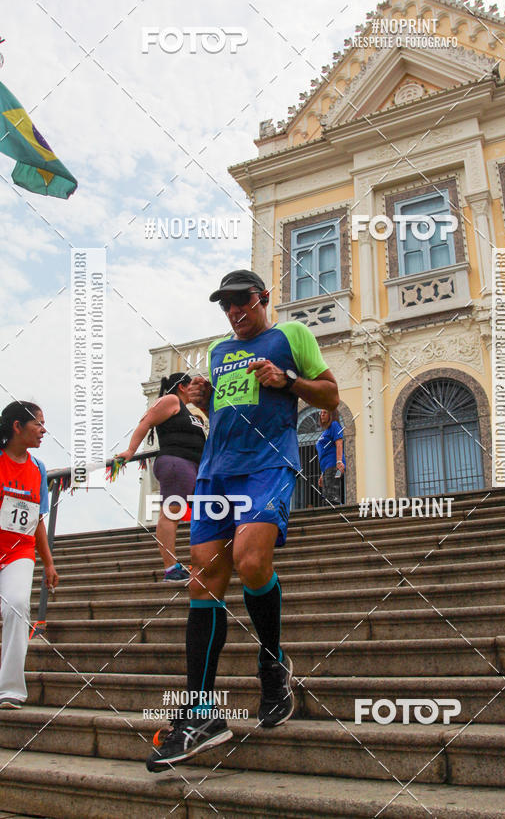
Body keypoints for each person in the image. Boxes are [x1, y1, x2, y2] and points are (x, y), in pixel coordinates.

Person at [146, 269, 339, 772]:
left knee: (253, 561)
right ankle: (203, 714)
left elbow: (330, 394)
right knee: (203, 577)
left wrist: (288, 379)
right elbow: (229, 407)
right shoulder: (217, 350)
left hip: (267, 463)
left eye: (244, 302)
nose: (236, 312)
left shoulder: (291, 335)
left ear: (264, 299)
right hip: (215, 471)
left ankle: (272, 663)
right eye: (227, 305)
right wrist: (203, 398)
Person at [118, 373, 206, 581]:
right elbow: (145, 422)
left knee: (205, 511)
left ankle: (203, 559)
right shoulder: (171, 400)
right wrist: (130, 451)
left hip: (195, 466)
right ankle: (170, 568)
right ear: (183, 387)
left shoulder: (194, 414)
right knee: (172, 512)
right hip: (176, 462)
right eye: (192, 386)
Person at [0, 400, 58, 708]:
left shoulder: (38, 469)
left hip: (18, 552)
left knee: (18, 604)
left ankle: (9, 688)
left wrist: (48, 562)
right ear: (17, 427)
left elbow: (37, 519)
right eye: (38, 423)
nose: (44, 430)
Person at [316, 409, 345, 506]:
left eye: (325, 412)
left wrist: (339, 462)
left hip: (334, 466)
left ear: (331, 415)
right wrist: (322, 474)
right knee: (329, 494)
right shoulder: (326, 431)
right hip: (328, 468)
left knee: (331, 496)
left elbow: (339, 443)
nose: (322, 415)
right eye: (321, 413)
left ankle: (336, 518)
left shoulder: (334, 425)